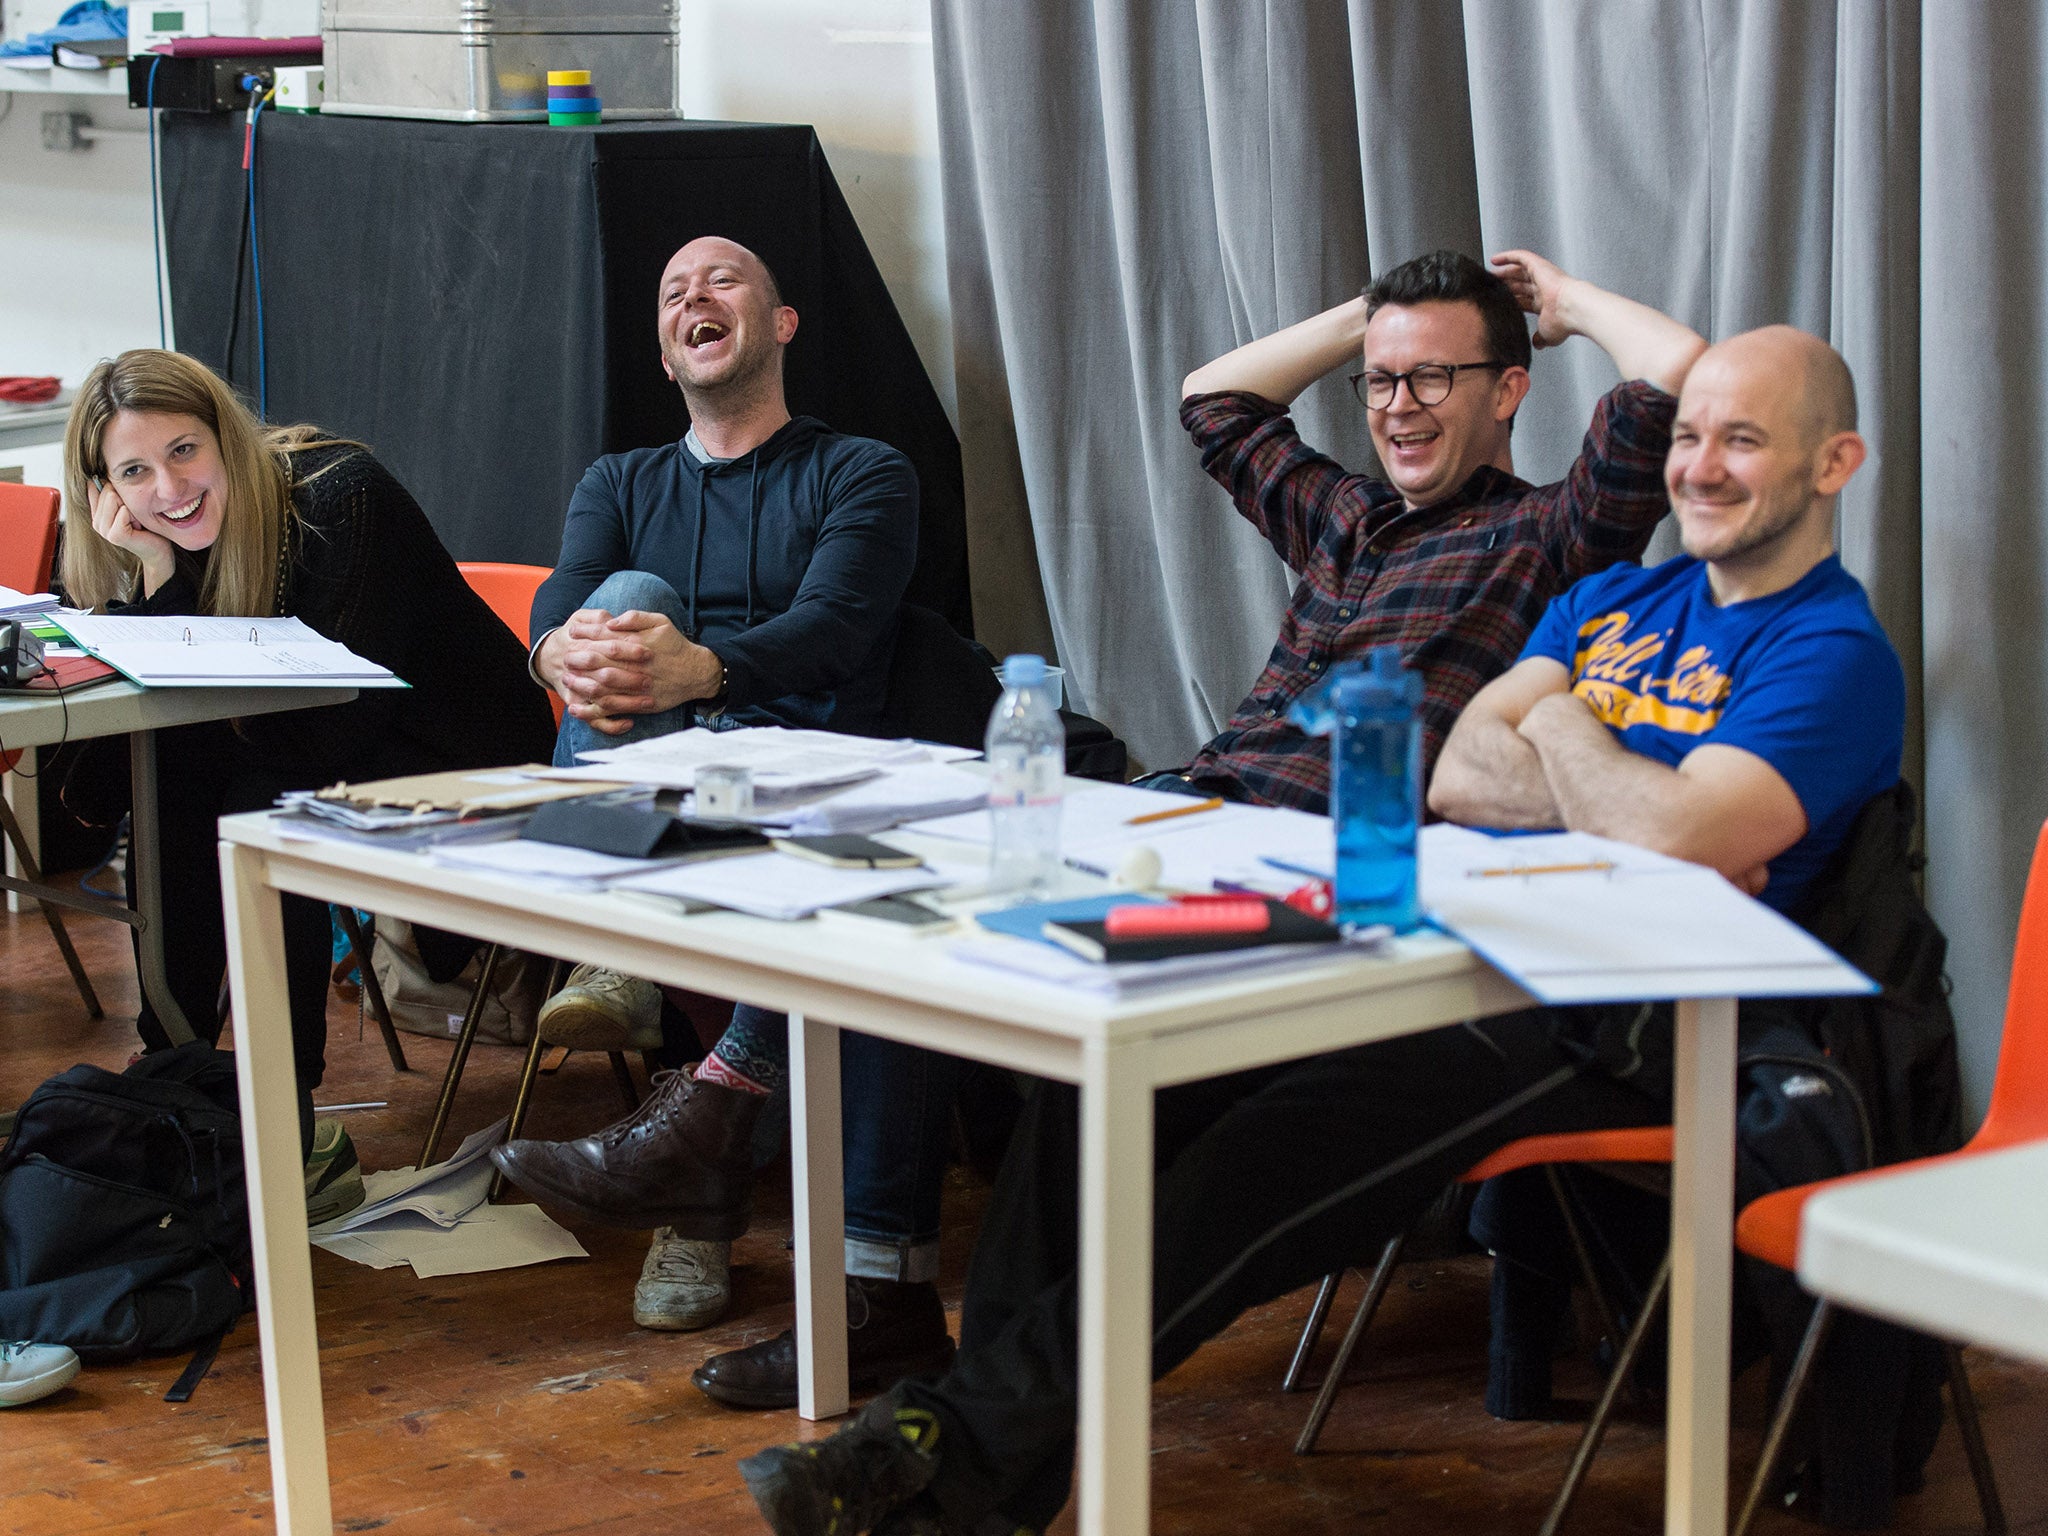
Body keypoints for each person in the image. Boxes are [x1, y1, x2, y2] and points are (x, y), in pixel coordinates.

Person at [732, 324, 1903, 1536]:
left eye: (1743, 440)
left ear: (1832, 465)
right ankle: (982, 1484)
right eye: (1694, 434)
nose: (1700, 465)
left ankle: (946, 1445)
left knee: (1250, 1171)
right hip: (1444, 943)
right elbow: (1455, 778)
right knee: (1097, 1088)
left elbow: (1662, 839)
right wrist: (1616, 770)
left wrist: (1556, 724)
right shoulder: (1616, 600)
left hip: (1619, 1011)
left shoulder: (1830, 650)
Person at [490, 237, 958, 1394]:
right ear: (663, 348)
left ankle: (687, 1169)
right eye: (670, 293)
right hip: (653, 775)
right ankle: (656, 1034)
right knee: (624, 598)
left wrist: (702, 674)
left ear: (783, 322)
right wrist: (557, 648)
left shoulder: (862, 469)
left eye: (723, 280)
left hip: (805, 776)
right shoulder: (620, 481)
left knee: (838, 893)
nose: (693, 297)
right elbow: (561, 603)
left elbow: (838, 629)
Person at [60, 349, 559, 1193]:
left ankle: (280, 1101)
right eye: (134, 471)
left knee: (256, 805)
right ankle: (173, 1062)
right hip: (308, 743)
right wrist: (144, 585)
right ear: (103, 493)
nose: (168, 489)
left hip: (460, 748)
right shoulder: (144, 547)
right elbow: (93, 795)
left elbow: (333, 730)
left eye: (184, 450)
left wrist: (165, 599)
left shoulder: (340, 497)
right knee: (175, 785)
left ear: (227, 436)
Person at [1158, 246, 1705, 809]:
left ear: (1506, 391)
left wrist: (1568, 302)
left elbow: (1680, 372)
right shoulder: (1348, 515)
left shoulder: (1553, 532)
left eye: (1429, 376)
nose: (1399, 405)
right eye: (1380, 380)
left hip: (1325, 845)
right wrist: (1375, 313)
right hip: (1191, 799)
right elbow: (1212, 398)